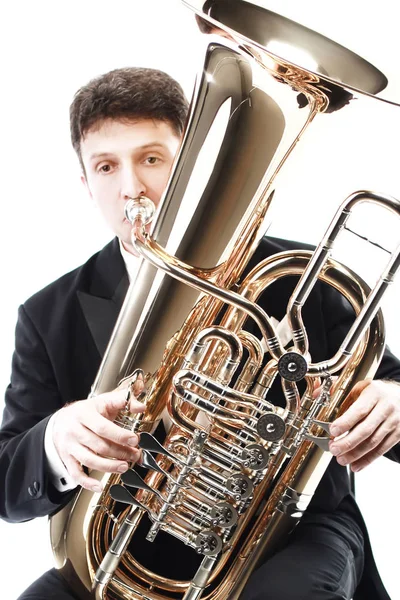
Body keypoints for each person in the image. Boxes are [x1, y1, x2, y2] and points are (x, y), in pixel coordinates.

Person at [0, 65, 399, 600]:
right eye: (105, 166)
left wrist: (393, 400)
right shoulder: (49, 314)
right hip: (124, 559)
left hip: (291, 535)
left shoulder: (296, 276)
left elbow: (391, 391)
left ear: (189, 163)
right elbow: (7, 482)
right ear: (86, 183)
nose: (131, 187)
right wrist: (54, 441)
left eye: (151, 158)